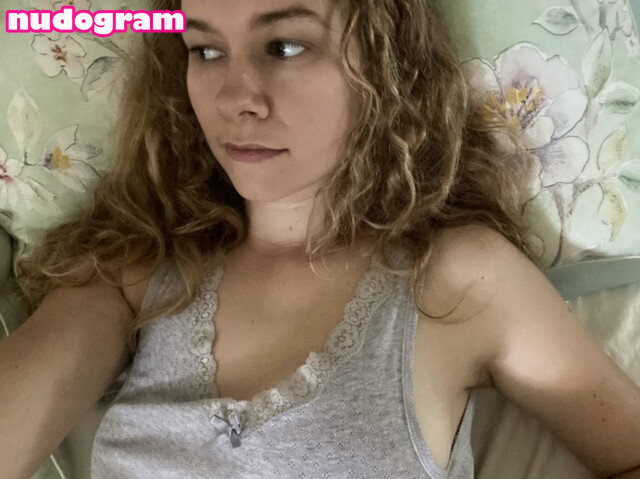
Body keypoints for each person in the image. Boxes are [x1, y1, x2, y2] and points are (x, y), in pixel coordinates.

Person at [1, 0, 639, 477]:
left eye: (284, 46)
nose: (235, 98)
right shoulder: (131, 275)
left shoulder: (457, 280)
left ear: (385, 64)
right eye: (206, 51)